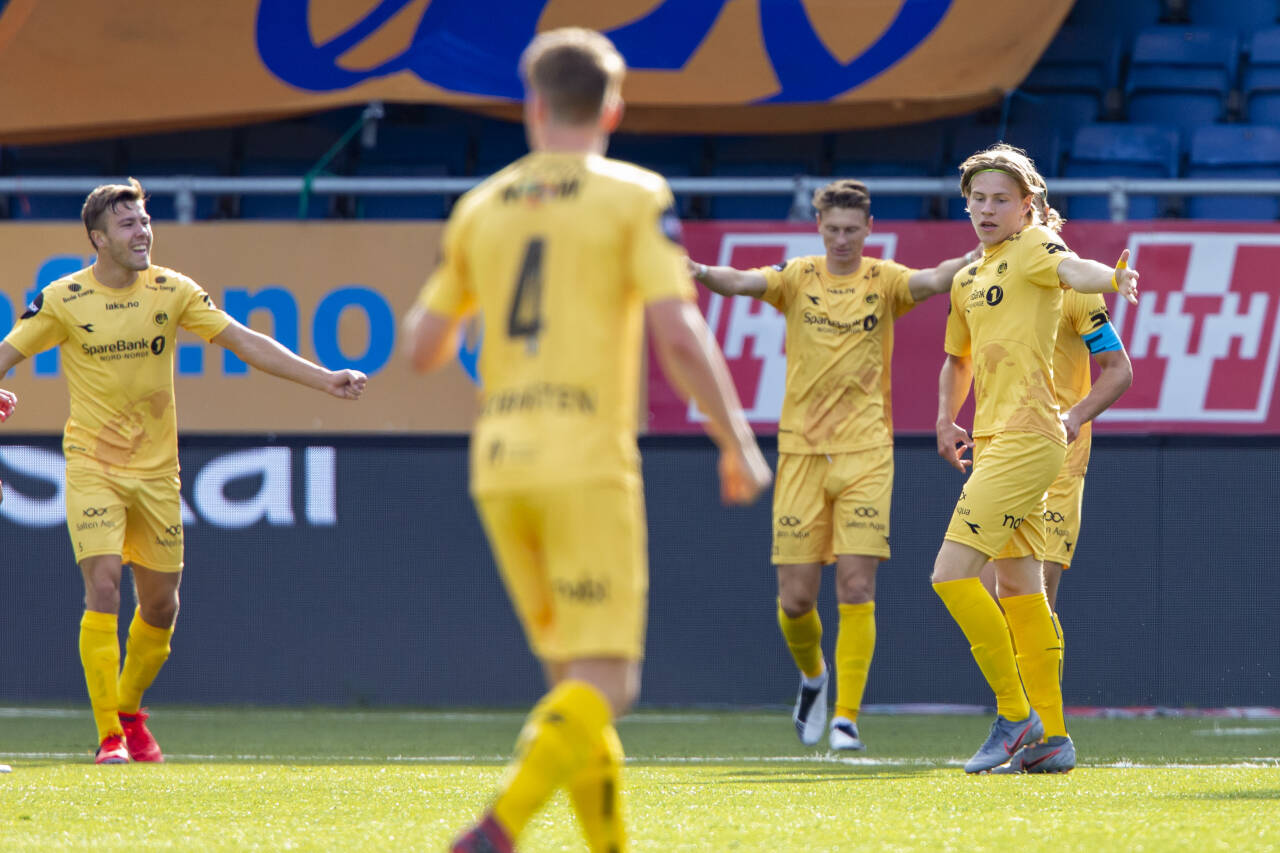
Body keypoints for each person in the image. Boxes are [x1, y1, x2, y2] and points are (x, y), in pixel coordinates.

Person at [401, 27, 771, 853]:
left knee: (574, 684)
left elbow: (421, 347)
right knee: (609, 680)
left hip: (498, 461)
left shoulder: (481, 205)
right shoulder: (632, 196)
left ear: (530, 103)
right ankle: (499, 828)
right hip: (585, 458)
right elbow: (678, 333)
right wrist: (735, 440)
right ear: (612, 106)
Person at [0, 178, 367, 765]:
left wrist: (326, 378)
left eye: (145, 221)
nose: (142, 232)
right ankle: (110, 739)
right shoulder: (64, 298)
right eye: (127, 224)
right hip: (94, 464)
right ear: (97, 238)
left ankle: (127, 710)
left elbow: (246, 343)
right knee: (102, 587)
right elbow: (4, 357)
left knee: (162, 607)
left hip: (157, 472)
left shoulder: (172, 291)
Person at [689, 179, 975, 751]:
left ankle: (846, 717)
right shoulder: (798, 278)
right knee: (795, 598)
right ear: (819, 229)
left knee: (856, 584)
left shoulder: (885, 280)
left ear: (869, 230)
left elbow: (938, 278)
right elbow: (740, 282)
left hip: (867, 452)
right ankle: (814, 679)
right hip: (800, 453)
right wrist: (695, 271)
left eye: (851, 230)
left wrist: (979, 255)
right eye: (832, 230)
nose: (842, 239)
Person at [933, 143, 1138, 774]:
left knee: (951, 575)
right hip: (993, 439)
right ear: (965, 204)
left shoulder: (1037, 250)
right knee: (1020, 588)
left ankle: (1015, 716)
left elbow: (1074, 271)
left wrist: (1110, 276)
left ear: (1030, 207)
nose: (988, 209)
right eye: (979, 199)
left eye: (1002, 199)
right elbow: (957, 357)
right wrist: (945, 417)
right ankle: (1052, 736)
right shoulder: (970, 277)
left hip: (1031, 438)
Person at [978, 289, 1133, 619]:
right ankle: (1016, 672)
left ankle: (1040, 671)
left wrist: (1075, 415)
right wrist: (945, 418)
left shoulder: (1078, 290)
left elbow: (1119, 369)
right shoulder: (986, 280)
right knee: (987, 596)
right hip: (1001, 457)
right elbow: (958, 359)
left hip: (1057, 461)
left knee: (1031, 599)